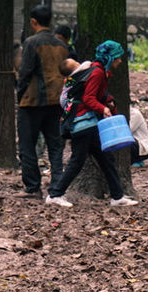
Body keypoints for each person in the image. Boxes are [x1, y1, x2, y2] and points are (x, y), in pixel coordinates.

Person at [45, 41, 137, 208]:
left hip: (88, 124)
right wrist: (103, 108)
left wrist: (108, 102)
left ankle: (117, 196)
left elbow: (96, 94)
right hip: (83, 124)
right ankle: (55, 194)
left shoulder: (97, 70)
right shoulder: (97, 73)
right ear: (110, 57)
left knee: (106, 159)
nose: (120, 61)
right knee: (77, 161)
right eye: (117, 58)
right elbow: (88, 98)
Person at [15, 4, 69, 199]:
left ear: (33, 22)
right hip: (57, 102)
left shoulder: (31, 43)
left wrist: (19, 95)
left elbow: (25, 72)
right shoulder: (62, 46)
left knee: (27, 146)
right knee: (55, 146)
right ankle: (56, 186)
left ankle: (32, 187)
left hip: (32, 102)